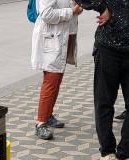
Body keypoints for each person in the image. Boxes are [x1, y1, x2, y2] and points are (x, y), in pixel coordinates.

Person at [76, 0, 129, 160]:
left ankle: (126, 153)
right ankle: (107, 151)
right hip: (108, 48)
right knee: (104, 102)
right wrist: (102, 7)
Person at [31, 0, 82, 140]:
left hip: (63, 36)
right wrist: (72, 11)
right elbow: (46, 14)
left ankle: (48, 115)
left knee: (56, 81)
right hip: (52, 38)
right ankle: (40, 123)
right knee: (51, 81)